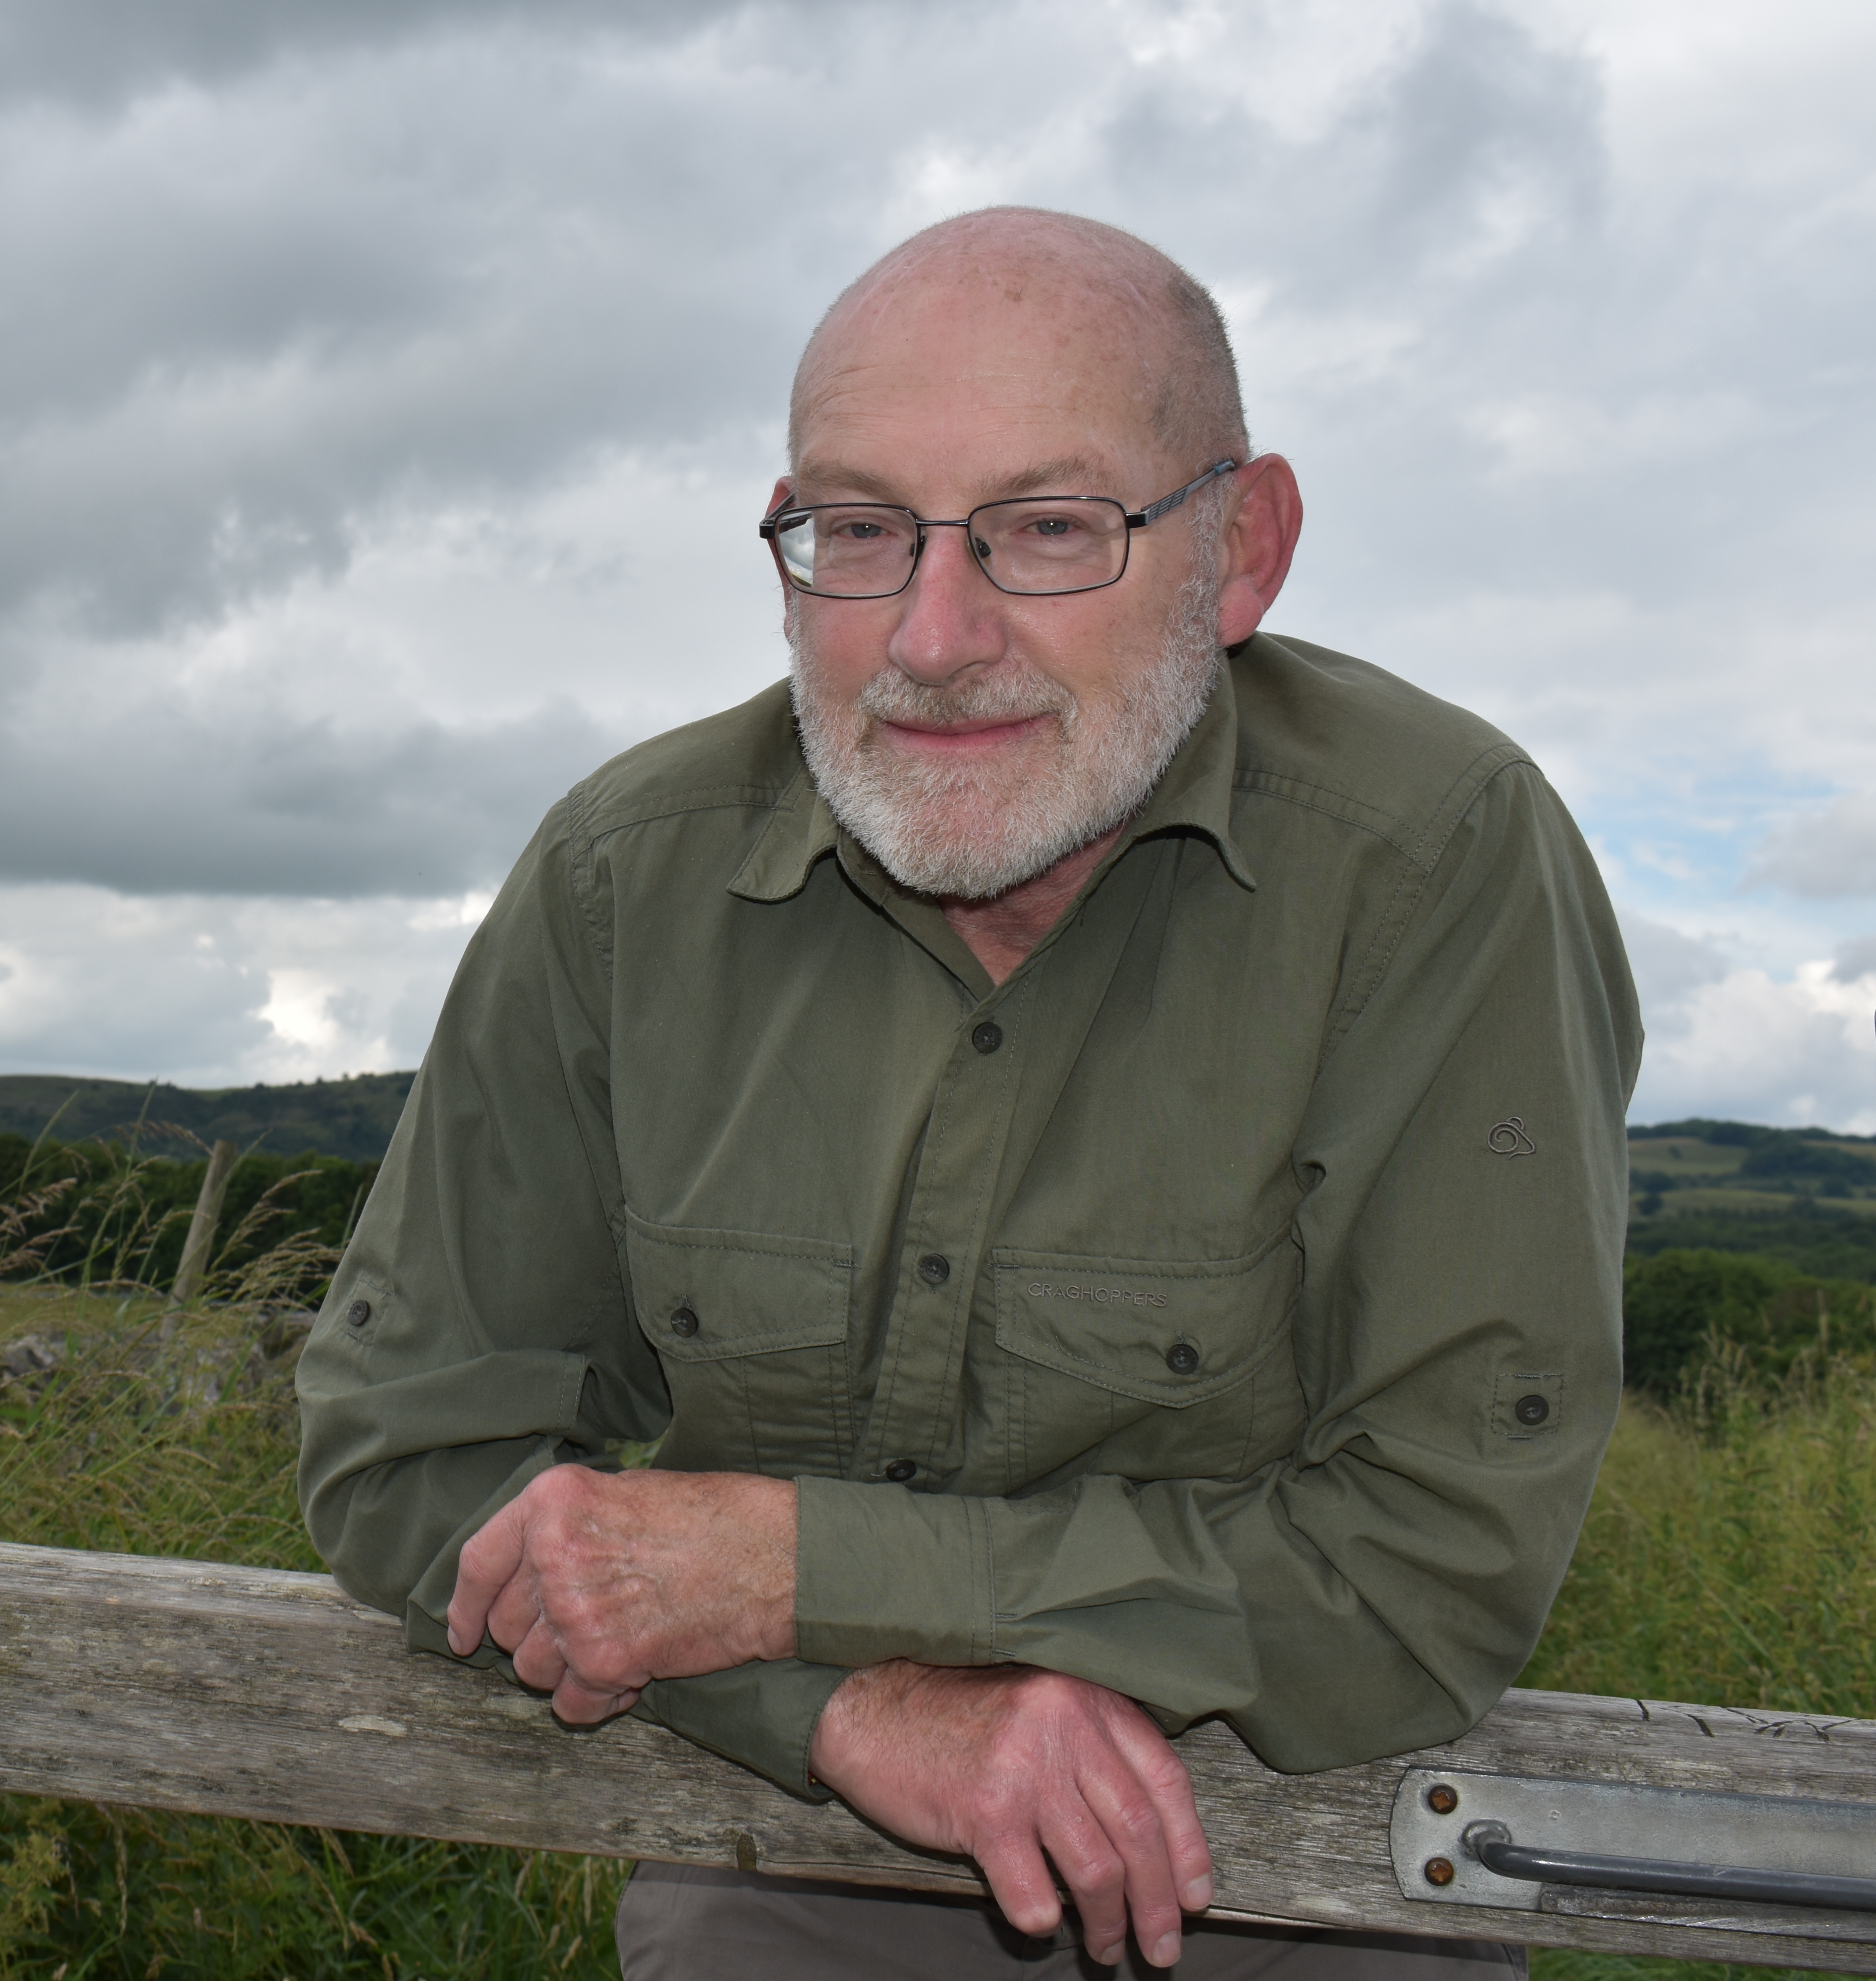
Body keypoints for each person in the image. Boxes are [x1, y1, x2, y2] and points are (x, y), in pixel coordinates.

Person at [294, 207, 1639, 1978]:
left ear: (1244, 550)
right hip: (770, 1872)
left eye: (1048, 529)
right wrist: (846, 1703)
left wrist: (781, 1569)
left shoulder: (1433, 863)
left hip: (1290, 1887)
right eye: (855, 529)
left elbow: (1426, 1567)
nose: (932, 636)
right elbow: (410, 1444)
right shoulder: (630, 875)